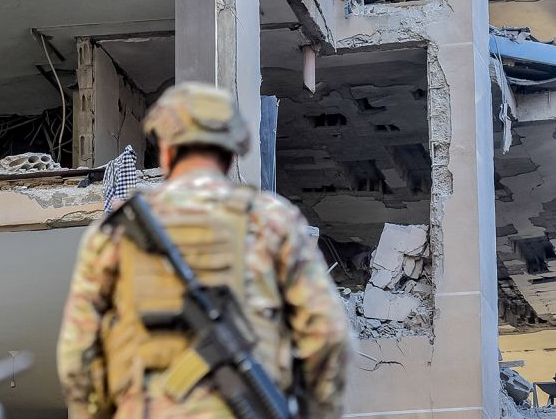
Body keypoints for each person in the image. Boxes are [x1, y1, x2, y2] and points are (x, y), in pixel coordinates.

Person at [56, 82, 351, 419]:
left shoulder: (113, 232)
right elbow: (328, 336)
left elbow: (78, 354)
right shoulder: (273, 220)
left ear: (166, 151)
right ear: (229, 155)